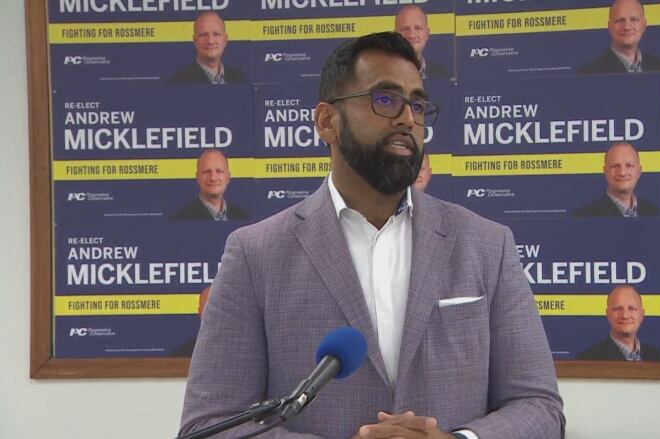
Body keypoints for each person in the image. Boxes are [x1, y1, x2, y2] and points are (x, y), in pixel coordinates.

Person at [179, 32, 564, 439]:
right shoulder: (256, 255)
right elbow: (208, 427)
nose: (407, 118)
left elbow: (539, 408)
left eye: (417, 104)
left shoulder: (489, 245)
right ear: (327, 121)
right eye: (385, 99)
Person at [576, 285, 660, 361]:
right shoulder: (589, 359)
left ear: (642, 314)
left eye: (631, 308)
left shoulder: (656, 357)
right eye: (618, 308)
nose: (625, 315)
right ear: (607, 314)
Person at [575, 142, 660, 217]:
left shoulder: (655, 213)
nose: (622, 173)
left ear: (639, 171)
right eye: (615, 166)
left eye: (629, 165)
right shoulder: (586, 216)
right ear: (605, 171)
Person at [578, 0, 660, 74]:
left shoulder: (658, 66)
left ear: (644, 25)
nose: (627, 27)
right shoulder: (590, 72)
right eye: (620, 20)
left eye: (634, 19)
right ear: (609, 26)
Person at [167, 11, 246, 84]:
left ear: (225, 39)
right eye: (204, 34)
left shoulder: (239, 80)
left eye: (216, 34)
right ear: (195, 40)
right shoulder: (177, 83)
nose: (210, 41)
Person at [169, 149, 249, 221]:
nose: (213, 178)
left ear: (228, 177)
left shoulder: (241, 216)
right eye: (207, 172)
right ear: (197, 177)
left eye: (219, 171)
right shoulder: (181, 218)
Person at [394, 5, 449, 79]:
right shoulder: (382, 74)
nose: (412, 35)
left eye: (418, 28)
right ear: (395, 34)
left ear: (427, 33)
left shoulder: (439, 73)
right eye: (405, 29)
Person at [170, 286, 211, 357]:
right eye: (208, 310)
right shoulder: (180, 355)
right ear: (199, 312)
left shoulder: (235, 350)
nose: (213, 315)